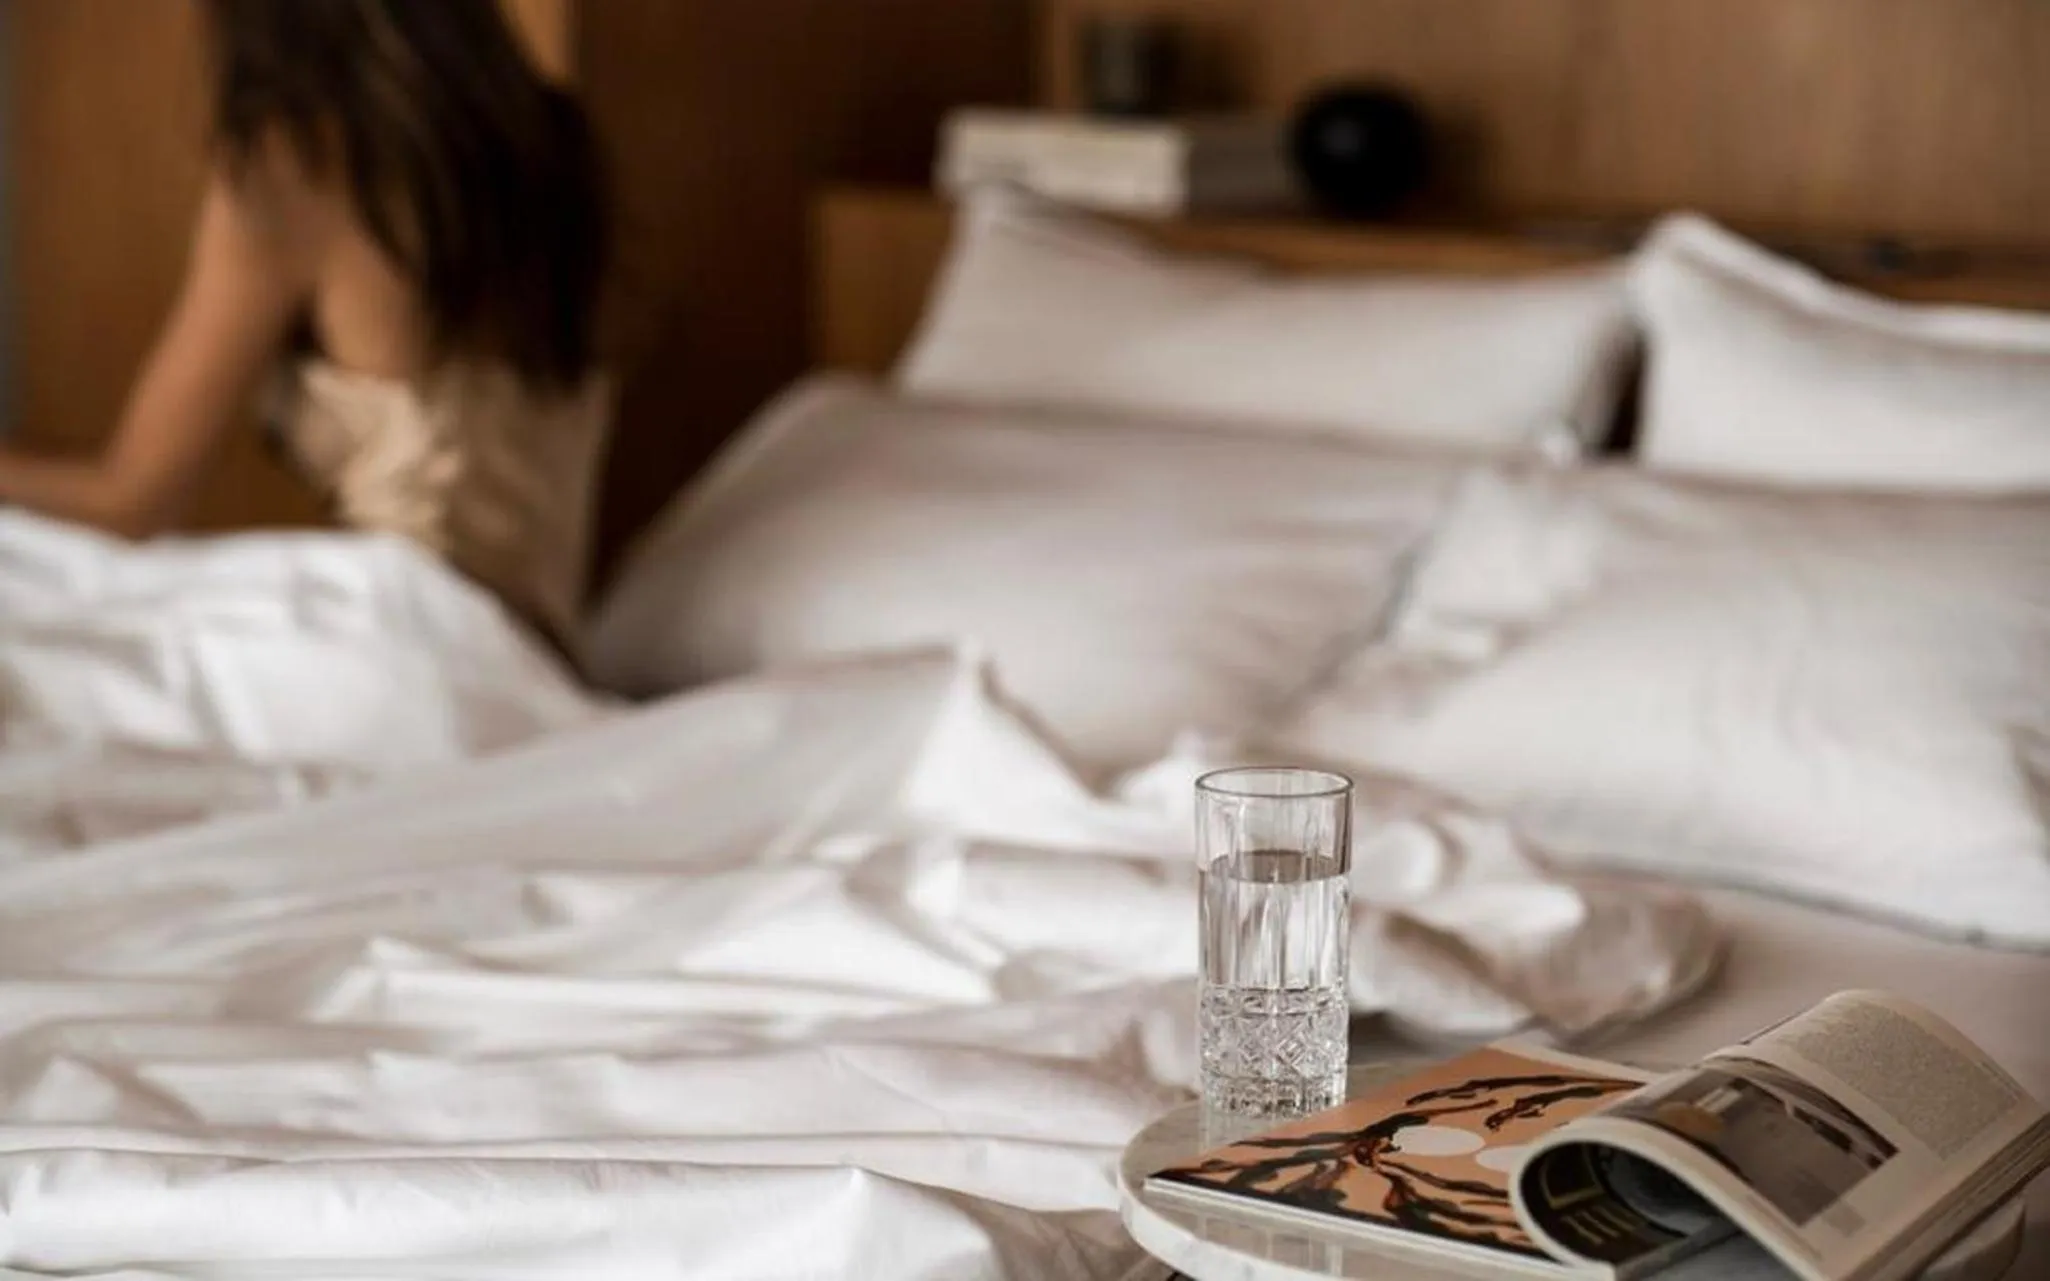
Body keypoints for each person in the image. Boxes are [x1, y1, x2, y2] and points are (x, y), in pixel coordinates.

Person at [0, 0, 611, 642]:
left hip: (407, 640)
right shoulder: (554, 139)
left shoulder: (299, 168)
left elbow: (129, 500)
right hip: (539, 657)